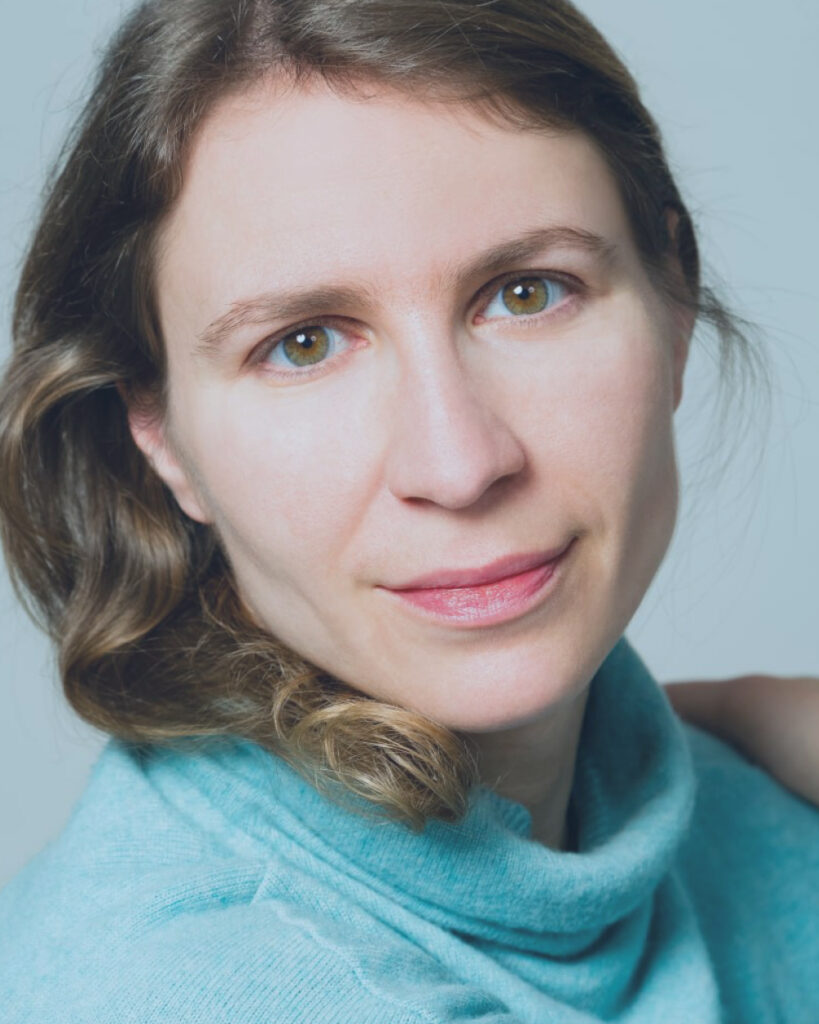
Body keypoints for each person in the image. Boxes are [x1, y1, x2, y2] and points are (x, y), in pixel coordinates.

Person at [0, 0, 816, 1021]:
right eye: (302, 343)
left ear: (674, 298)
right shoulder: (193, 989)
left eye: (527, 293)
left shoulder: (746, 813)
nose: (460, 464)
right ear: (160, 434)